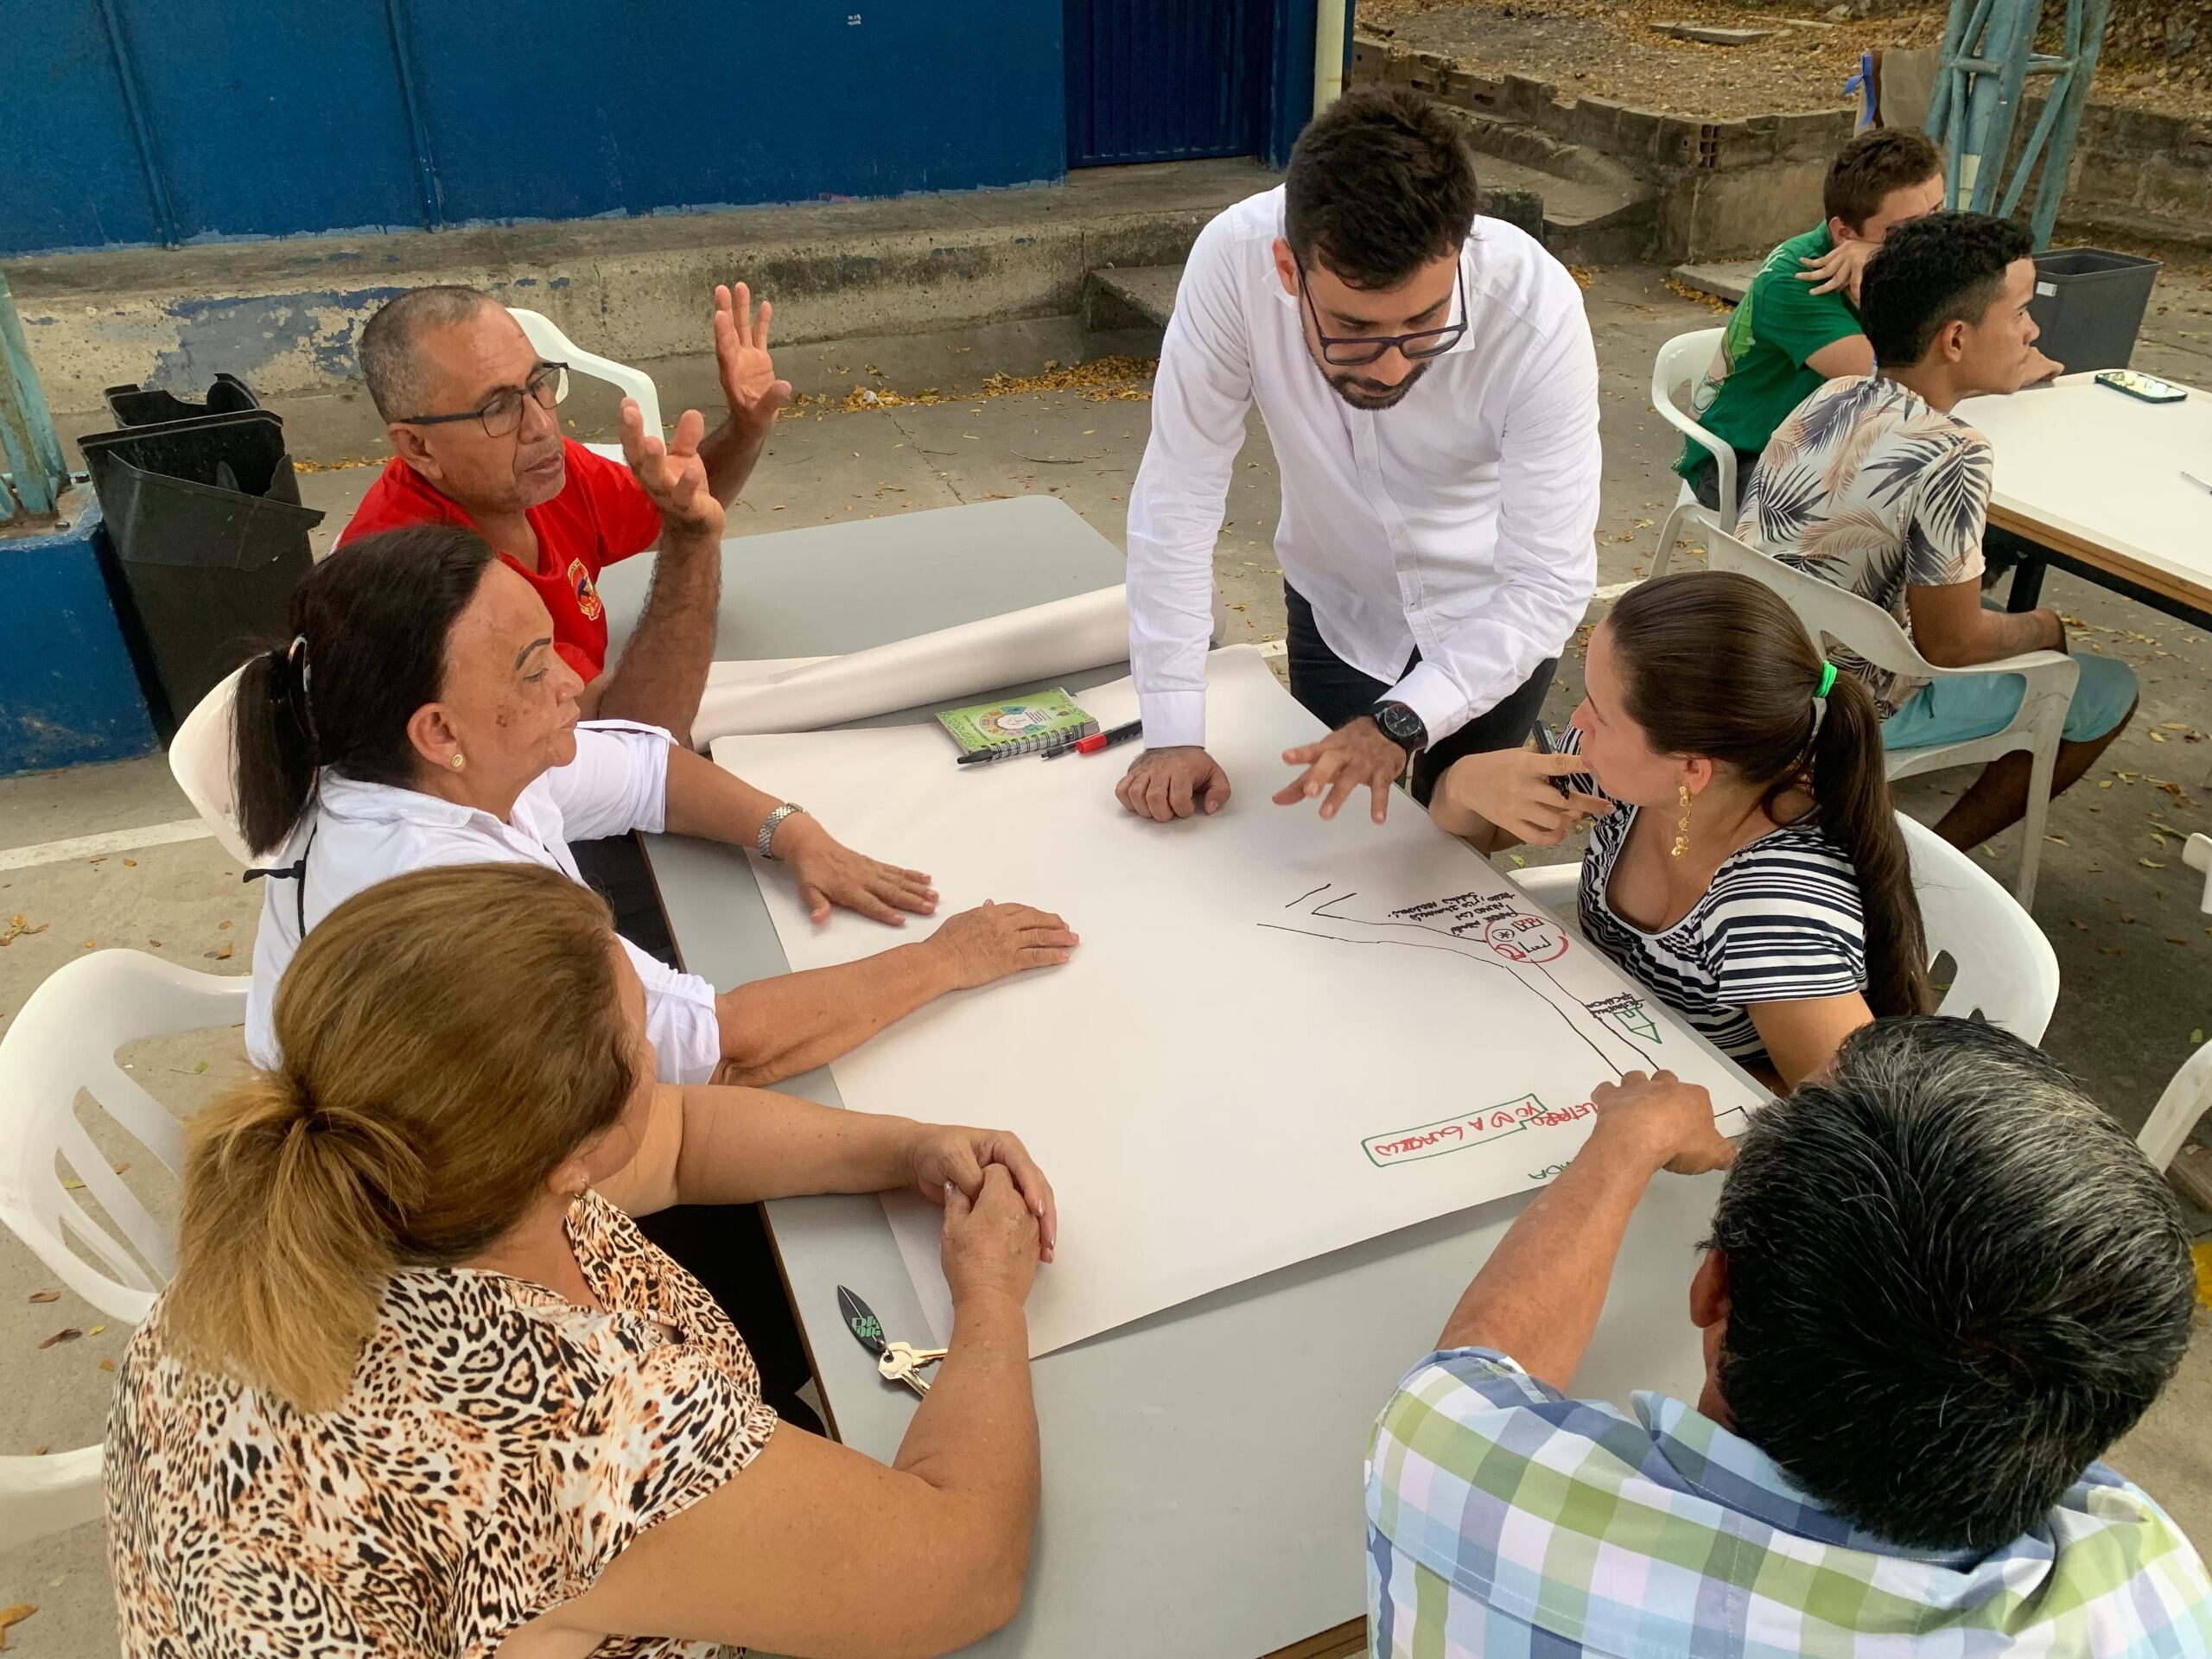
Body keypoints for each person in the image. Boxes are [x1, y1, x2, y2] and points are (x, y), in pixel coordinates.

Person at [109, 862, 1052, 1657]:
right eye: (638, 1043)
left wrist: (903, 1147)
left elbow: (676, 1140)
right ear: (569, 1157)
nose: (657, 1060)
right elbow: (968, 1566)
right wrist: (990, 1292)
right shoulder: (576, 1434)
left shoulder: (316, 1217)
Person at [1367, 1018, 2212, 1658]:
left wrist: (1622, 1146)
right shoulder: (2144, 1597)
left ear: (1712, 1287)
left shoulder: (1450, 1476)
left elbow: (1472, 1369)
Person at [235, 524, 1078, 1090]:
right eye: (534, 668)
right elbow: (724, 1051)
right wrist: (946, 959)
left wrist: (791, 832)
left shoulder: (403, 762)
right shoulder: (454, 903)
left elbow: (644, 773)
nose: (572, 681)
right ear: (438, 730)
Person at [1117, 88, 1601, 827]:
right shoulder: (1233, 264)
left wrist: (1403, 723)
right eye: (1352, 327)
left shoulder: (1536, 314)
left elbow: (1547, 579)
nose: (1389, 368)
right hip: (1337, 603)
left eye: (1426, 321)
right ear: (1288, 269)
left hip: (1495, 617)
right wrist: (1174, 730)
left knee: (1465, 845)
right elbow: (1177, 497)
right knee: (1327, 842)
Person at [1429, 570, 1927, 1089]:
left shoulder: (1770, 915)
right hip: (1595, 1052)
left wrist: (1685, 1098)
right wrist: (1464, 784)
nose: (1577, 720)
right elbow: (1468, 836)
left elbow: (1853, 1121)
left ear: (1692, 769)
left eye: (1601, 712)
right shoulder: (1622, 775)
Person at [1738, 211, 2138, 852]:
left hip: (1763, 668)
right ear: (1955, 339)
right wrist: (2045, 628)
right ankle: (1935, 867)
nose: (2033, 330)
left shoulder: (1836, 392)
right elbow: (1950, 645)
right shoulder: (1954, 452)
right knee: (2106, 687)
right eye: (2020, 313)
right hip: (1845, 711)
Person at [343, 282, 790, 746]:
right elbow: (633, 739)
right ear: (417, 446)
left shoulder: (538, 472)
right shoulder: (424, 587)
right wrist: (692, 542)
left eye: (539, 383)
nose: (540, 426)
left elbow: (671, 509)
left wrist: (745, 429)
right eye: (496, 408)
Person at [1676, 129, 1948, 510]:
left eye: (1939, 214)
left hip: (1838, 443)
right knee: (1906, 513)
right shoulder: (1797, 280)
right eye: (1905, 230)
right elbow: (1899, 388)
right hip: (1742, 459)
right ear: (1844, 233)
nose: (1931, 240)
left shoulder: (1914, 260)